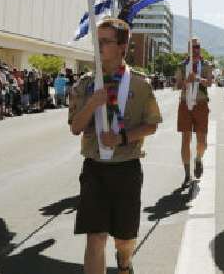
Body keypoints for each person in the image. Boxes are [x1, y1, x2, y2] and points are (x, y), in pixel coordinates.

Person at [68, 18, 160, 274]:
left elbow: (151, 125)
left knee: (124, 239)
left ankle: (125, 260)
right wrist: (92, 104)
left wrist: (121, 139)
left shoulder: (140, 84)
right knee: (95, 238)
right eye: (96, 41)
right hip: (94, 169)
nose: (98, 46)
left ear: (123, 46)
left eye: (105, 42)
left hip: (126, 169)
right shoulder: (85, 84)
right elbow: (75, 127)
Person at [174, 38, 214, 185]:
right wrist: (186, 81)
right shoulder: (182, 65)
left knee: (202, 142)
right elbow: (178, 86)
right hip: (185, 104)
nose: (195, 49)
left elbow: (210, 82)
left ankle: (198, 158)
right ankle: (186, 174)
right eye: (193, 47)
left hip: (201, 104)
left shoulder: (206, 65)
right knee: (185, 140)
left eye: (197, 47)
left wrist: (198, 79)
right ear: (188, 49)